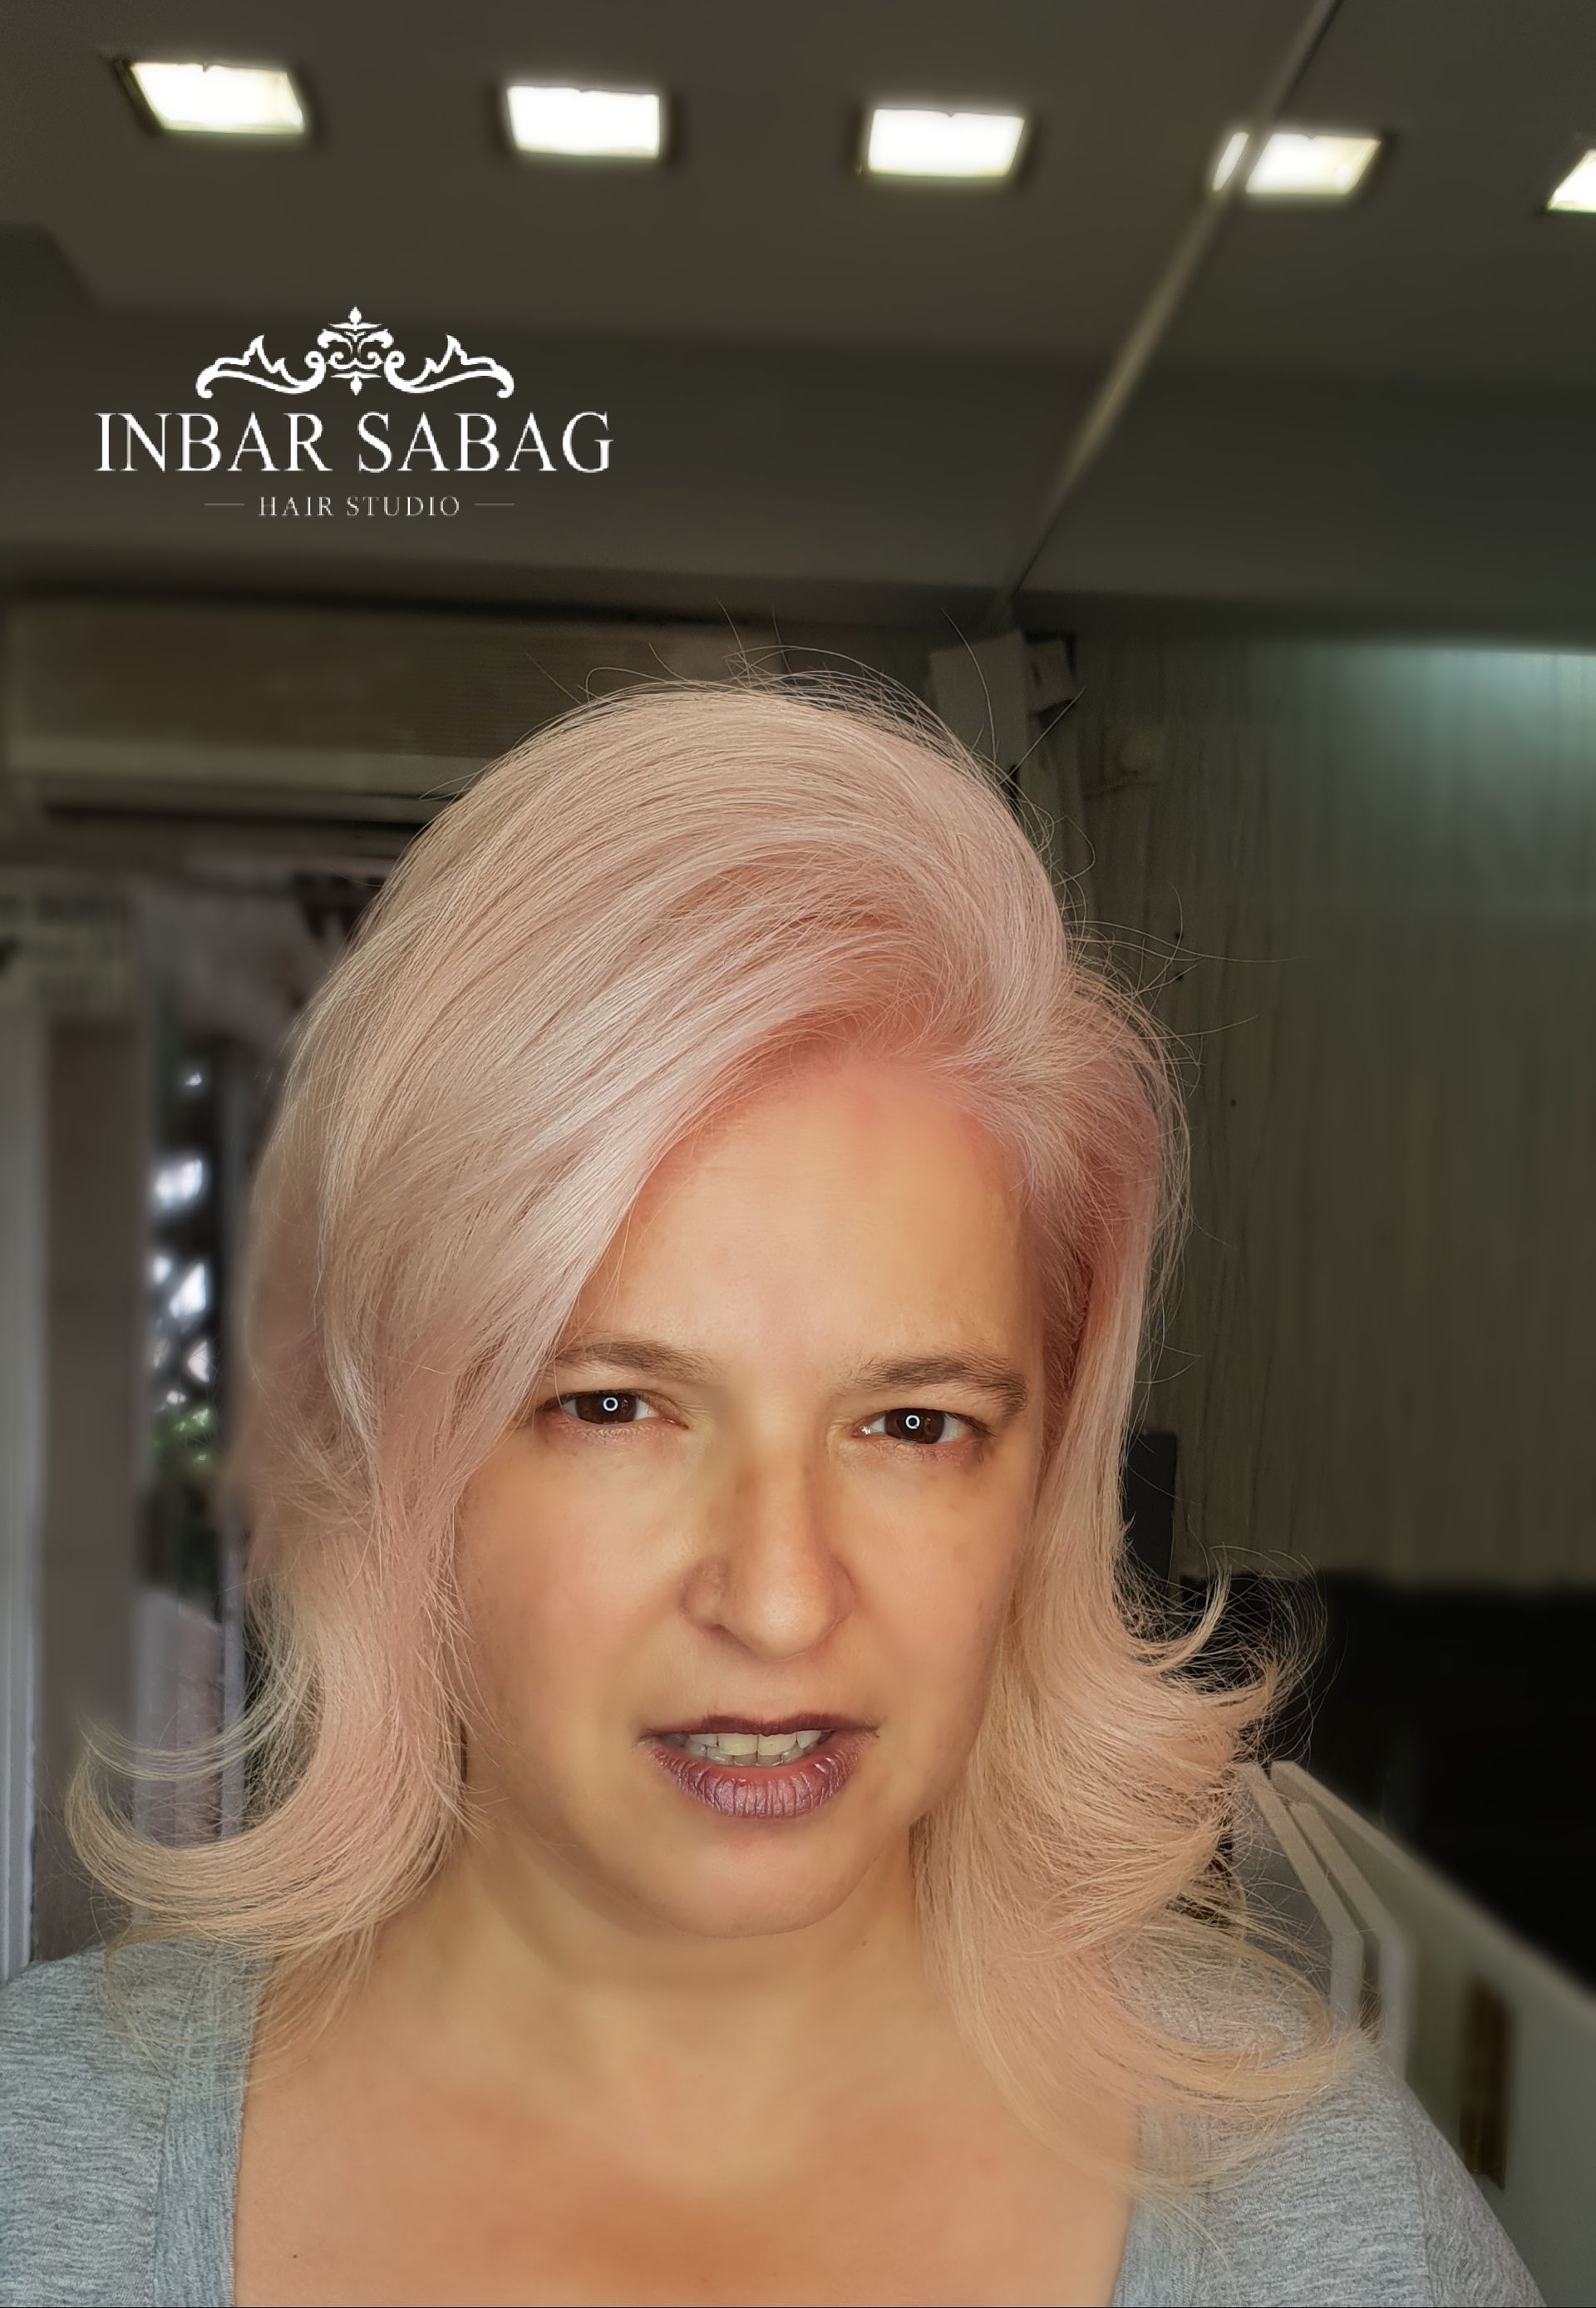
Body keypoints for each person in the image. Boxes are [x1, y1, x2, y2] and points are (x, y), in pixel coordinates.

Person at [0, 678, 1541, 2307]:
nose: (783, 1597)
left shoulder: (1314, 2203)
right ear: (395, 1455)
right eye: (613, 1406)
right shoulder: (45, 2182)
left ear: (1044, 1482)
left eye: (915, 1424)